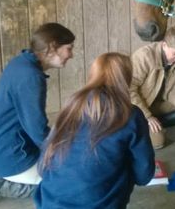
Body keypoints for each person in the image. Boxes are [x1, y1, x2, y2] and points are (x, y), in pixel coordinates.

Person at [0, 23, 75, 208]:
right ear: (52, 47)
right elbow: (37, 130)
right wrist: (64, 156)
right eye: (69, 48)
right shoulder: (31, 77)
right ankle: (2, 185)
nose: (71, 55)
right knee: (72, 182)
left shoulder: (22, 62)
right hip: (14, 157)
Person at [34, 53, 155, 209]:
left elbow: (46, 156)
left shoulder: (72, 104)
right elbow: (144, 174)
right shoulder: (130, 114)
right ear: (126, 78)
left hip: (49, 202)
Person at [130, 25, 175, 149]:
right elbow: (129, 90)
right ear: (164, 45)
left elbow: (172, 92)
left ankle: (155, 124)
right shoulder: (144, 56)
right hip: (135, 108)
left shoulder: (173, 62)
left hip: (153, 103)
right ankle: (147, 125)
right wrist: (148, 116)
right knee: (158, 142)